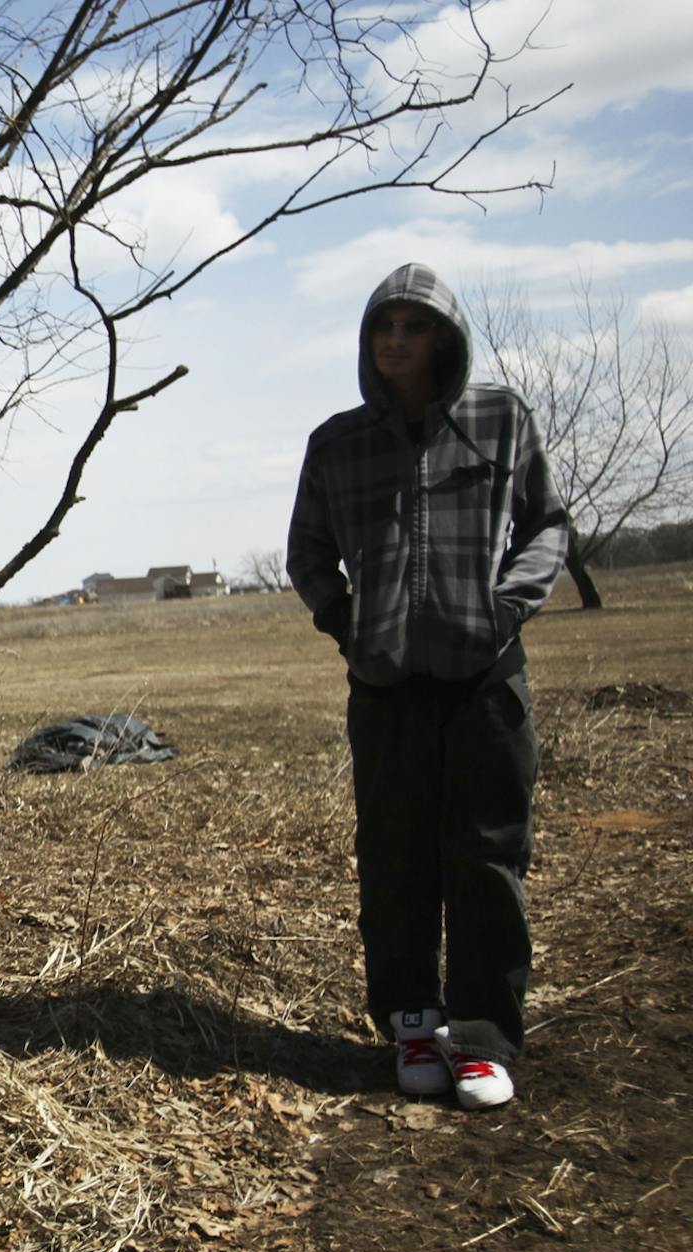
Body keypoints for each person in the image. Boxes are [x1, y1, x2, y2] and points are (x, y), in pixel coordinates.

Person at [287, 263, 568, 1111]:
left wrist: (503, 612)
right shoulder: (337, 443)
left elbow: (546, 524)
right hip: (386, 689)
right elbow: (307, 553)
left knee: (486, 858)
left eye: (415, 327)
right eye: (385, 328)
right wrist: (350, 625)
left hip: (484, 681)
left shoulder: (497, 419)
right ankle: (413, 1023)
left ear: (443, 337)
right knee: (395, 858)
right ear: (369, 343)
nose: (399, 341)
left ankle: (481, 1037)